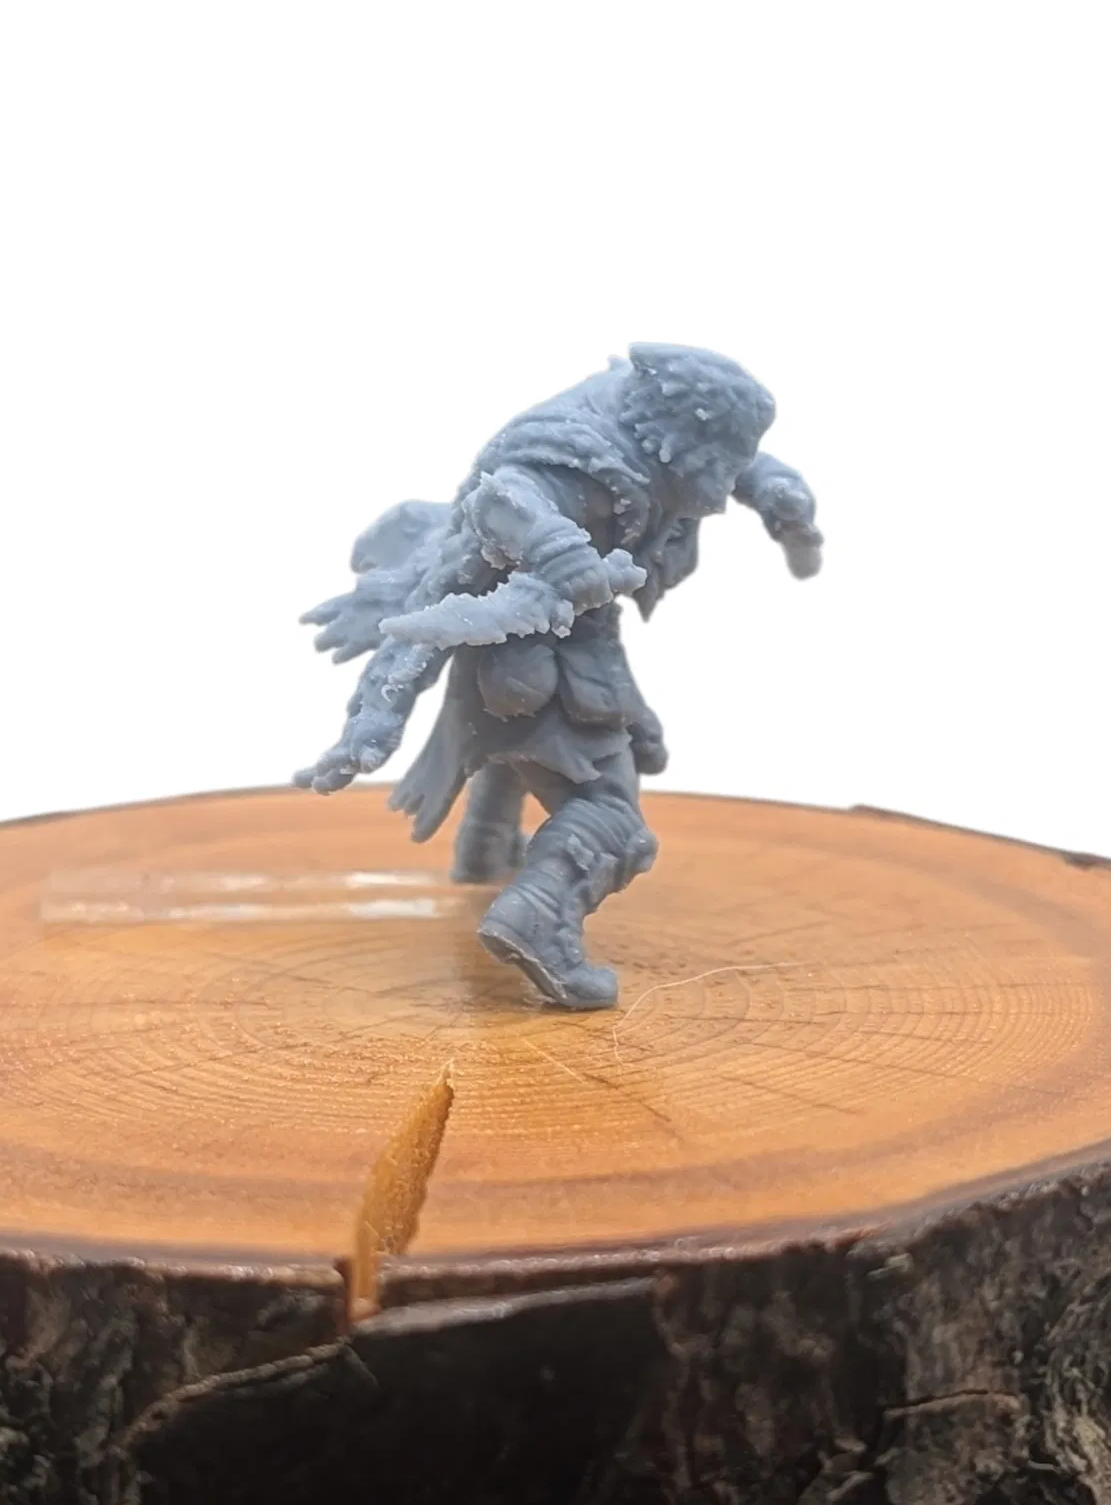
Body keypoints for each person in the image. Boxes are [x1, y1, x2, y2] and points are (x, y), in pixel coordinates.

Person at [300, 343, 821, 1007]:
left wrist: (772, 487)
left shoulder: (642, 427)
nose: (724, 482)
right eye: (724, 453)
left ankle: (485, 854)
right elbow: (504, 500)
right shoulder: (579, 462)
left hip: (549, 646)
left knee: (518, 752)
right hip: (544, 651)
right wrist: (559, 553)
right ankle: (540, 918)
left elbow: (712, 462)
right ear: (673, 430)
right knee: (611, 815)